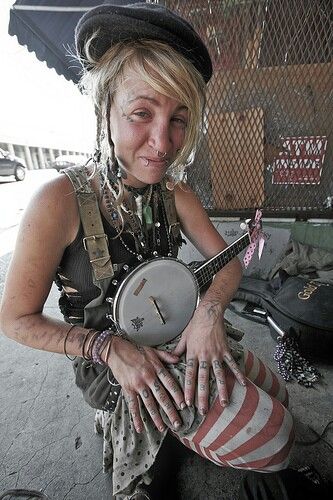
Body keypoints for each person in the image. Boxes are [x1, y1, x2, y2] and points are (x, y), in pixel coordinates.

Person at [0, 3, 294, 499]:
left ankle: (182, 429)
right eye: (142, 113)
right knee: (277, 438)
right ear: (105, 111)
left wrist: (208, 316)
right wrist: (107, 347)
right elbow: (14, 319)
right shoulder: (58, 202)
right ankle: (132, 431)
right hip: (112, 362)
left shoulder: (176, 194)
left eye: (178, 119)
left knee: (281, 396)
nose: (163, 143)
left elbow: (226, 263)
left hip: (180, 332)